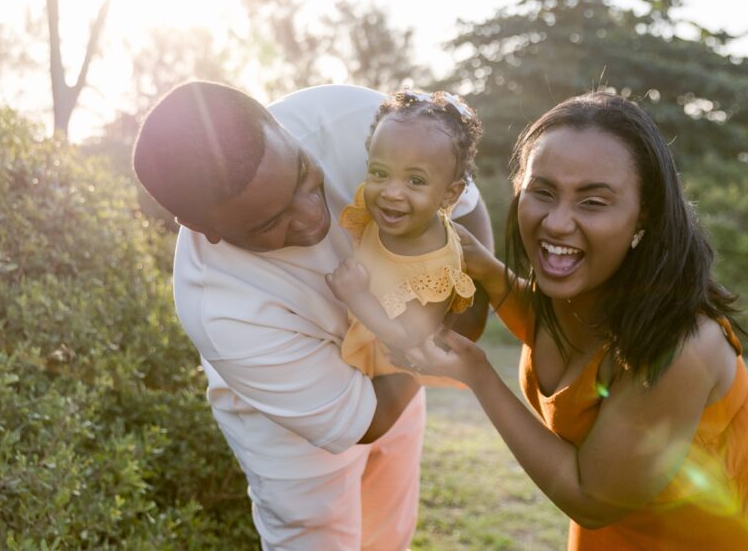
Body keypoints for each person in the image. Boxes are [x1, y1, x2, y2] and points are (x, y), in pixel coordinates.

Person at [407, 92, 748, 550]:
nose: (558, 223)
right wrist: (486, 268)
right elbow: (563, 341)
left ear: (643, 215)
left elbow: (590, 496)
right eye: (543, 192)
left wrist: (478, 374)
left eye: (593, 202)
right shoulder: (583, 292)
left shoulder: (685, 345)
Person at [131, 81, 492, 551]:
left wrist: (438, 330)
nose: (311, 218)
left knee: (389, 537)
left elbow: (467, 216)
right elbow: (368, 420)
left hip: (400, 354)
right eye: (269, 223)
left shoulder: (360, 120)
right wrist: (423, 349)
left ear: (281, 126)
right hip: (294, 422)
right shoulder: (218, 309)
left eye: (303, 175)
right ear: (204, 229)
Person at [326, 91, 482, 390]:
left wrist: (357, 296)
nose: (391, 192)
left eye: (415, 180)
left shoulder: (437, 270)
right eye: (380, 172)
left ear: (450, 193)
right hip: (354, 323)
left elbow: (408, 336)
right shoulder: (394, 209)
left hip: (386, 357)